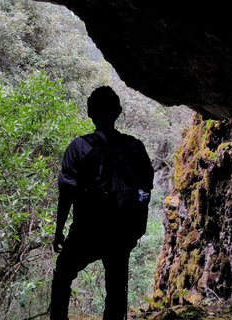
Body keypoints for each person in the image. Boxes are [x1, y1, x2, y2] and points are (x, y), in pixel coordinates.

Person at [50, 86, 154, 320]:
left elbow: (66, 192)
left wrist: (59, 231)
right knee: (116, 288)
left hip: (88, 228)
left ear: (90, 112)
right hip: (123, 230)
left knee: (63, 274)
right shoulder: (135, 147)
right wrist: (137, 223)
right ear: (118, 112)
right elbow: (146, 187)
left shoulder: (79, 146)